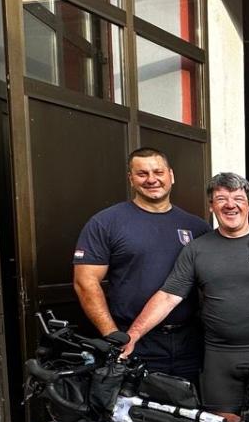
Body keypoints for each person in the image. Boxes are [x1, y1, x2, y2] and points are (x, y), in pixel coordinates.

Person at [123, 172, 249, 422]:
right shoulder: (197, 249)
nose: (230, 205)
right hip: (220, 356)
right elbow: (168, 297)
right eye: (221, 199)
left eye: (238, 199)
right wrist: (133, 335)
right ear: (211, 206)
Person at [73, 147, 210, 386]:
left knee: (188, 408)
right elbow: (85, 282)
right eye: (142, 174)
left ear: (171, 175)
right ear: (131, 179)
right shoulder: (106, 223)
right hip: (133, 342)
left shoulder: (196, 226)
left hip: (189, 341)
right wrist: (113, 336)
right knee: (136, 408)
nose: (152, 179)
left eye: (158, 172)